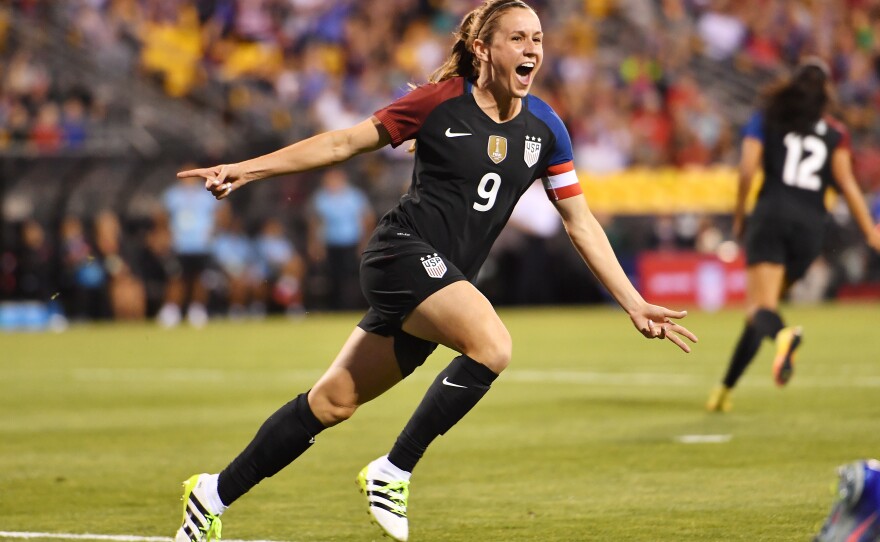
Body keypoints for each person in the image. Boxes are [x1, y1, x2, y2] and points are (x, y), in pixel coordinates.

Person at [173, 2, 698, 541]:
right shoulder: (438, 103)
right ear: (482, 49)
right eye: (518, 38)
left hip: (439, 282)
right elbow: (342, 143)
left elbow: (579, 221)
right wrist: (245, 170)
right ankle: (392, 471)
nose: (532, 49)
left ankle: (210, 495)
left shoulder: (546, 128)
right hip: (400, 252)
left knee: (331, 403)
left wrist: (633, 301)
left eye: (537, 38)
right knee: (493, 345)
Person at [706, 58, 880, 413]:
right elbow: (847, 184)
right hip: (812, 229)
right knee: (759, 309)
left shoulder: (768, 116)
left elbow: (746, 170)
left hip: (772, 216)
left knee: (760, 309)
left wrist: (739, 217)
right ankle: (724, 390)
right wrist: (871, 232)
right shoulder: (836, 133)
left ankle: (784, 335)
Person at [306, 168, 375, 310]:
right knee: (333, 276)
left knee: (351, 276)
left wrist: (365, 241)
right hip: (331, 242)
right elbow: (315, 222)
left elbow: (367, 219)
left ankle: (352, 306)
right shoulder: (321, 197)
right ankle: (336, 307)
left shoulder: (354, 196)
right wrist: (314, 244)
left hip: (351, 241)